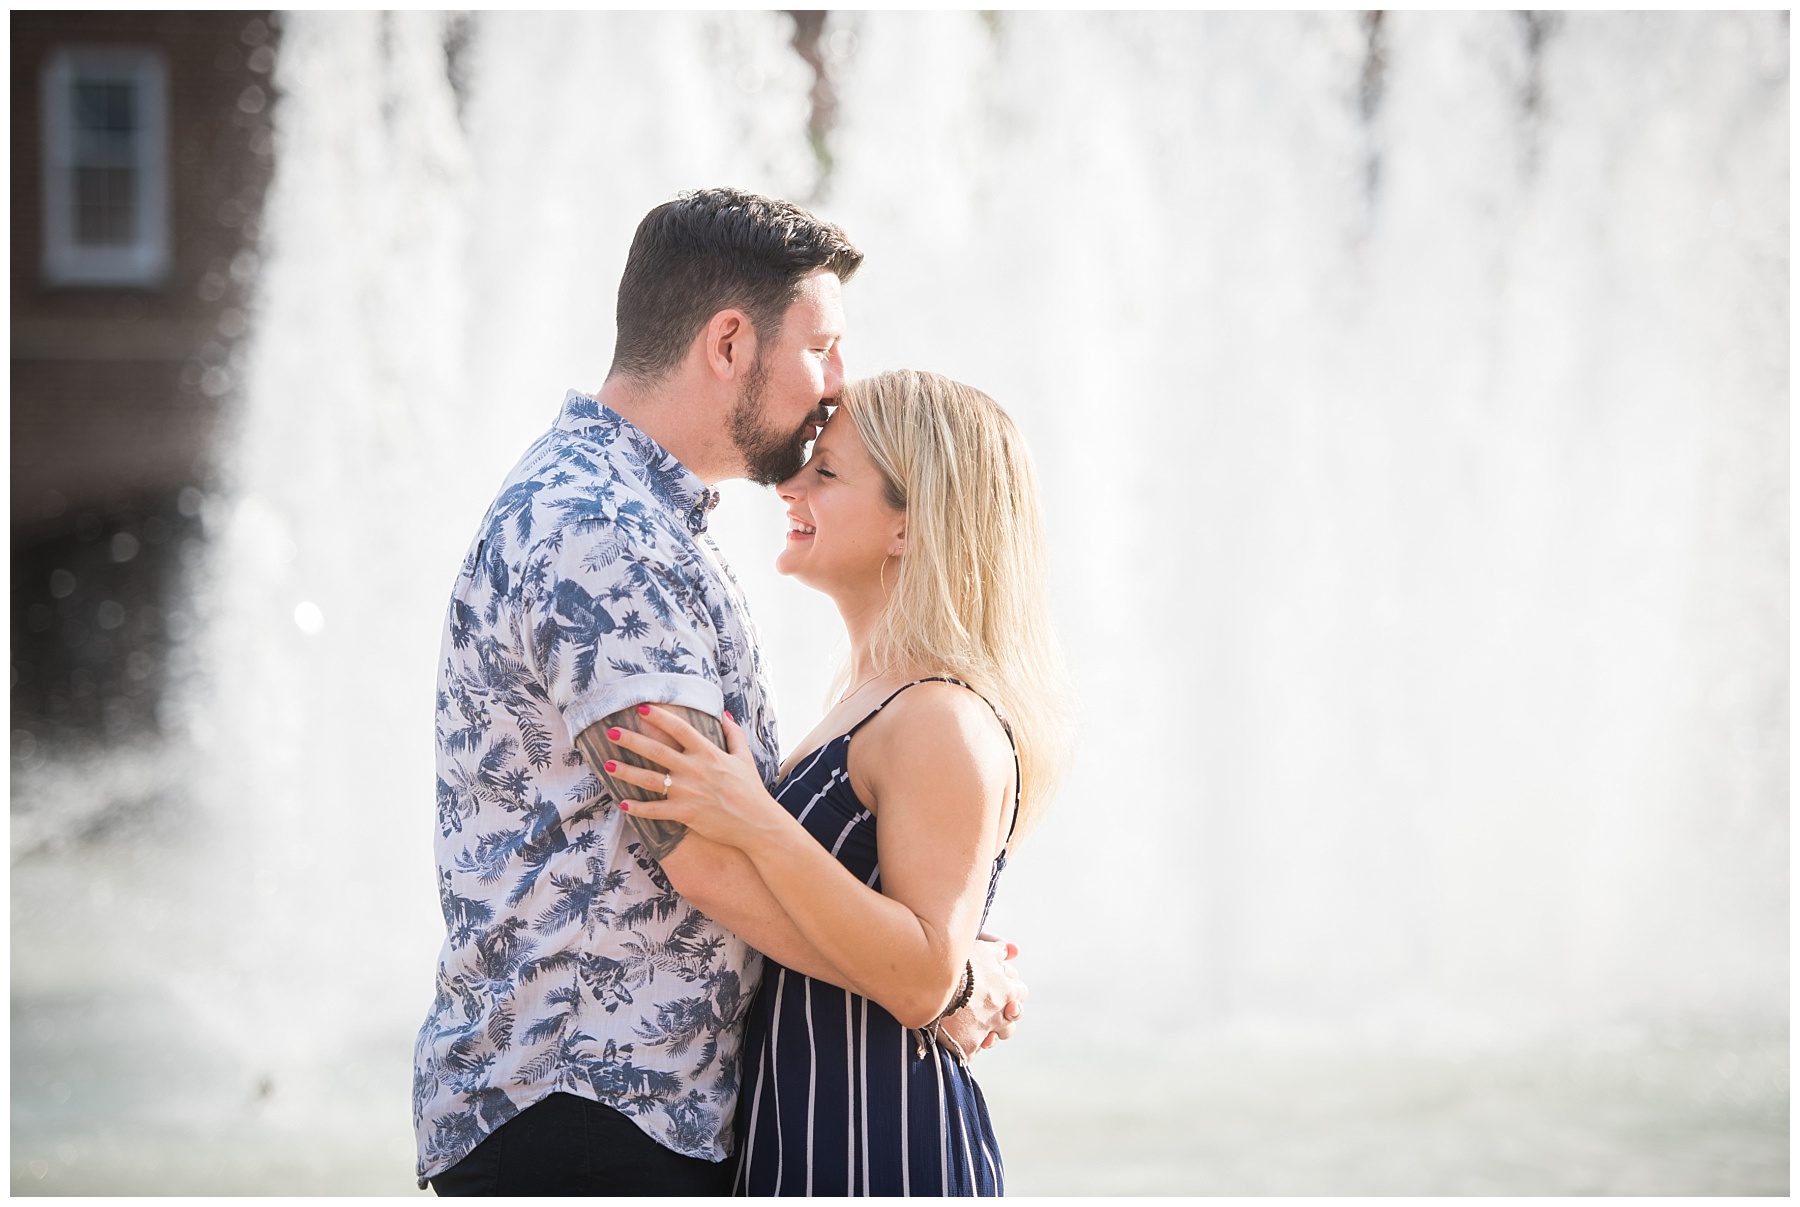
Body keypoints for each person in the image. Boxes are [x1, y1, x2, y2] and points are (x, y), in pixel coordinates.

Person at [412, 190, 1027, 1196]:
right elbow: (703, 857)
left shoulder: (635, 521)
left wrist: (931, 960)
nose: (837, 382)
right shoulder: (605, 535)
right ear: (731, 342)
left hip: (619, 1114)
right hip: (591, 1112)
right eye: (822, 346)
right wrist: (935, 984)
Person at [603, 369, 1074, 1196]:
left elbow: (925, 971)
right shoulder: (869, 701)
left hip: (878, 1145)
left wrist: (753, 817)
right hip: (809, 1138)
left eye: (826, 472)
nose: (788, 483)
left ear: (909, 524)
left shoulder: (940, 717)